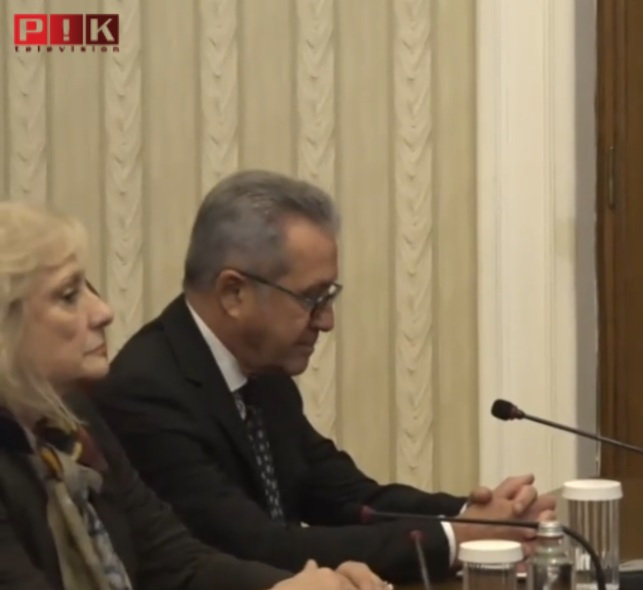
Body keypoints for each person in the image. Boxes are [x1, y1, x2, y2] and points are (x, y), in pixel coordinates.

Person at [93, 170, 555, 584]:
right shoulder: (146, 392)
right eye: (312, 298)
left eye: (329, 297)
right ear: (233, 292)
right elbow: (257, 547)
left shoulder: (263, 372)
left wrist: (475, 515)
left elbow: (348, 497)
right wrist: (459, 537)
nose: (327, 321)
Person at [0, 201, 386, 590]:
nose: (103, 311)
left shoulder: (73, 421)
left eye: (89, 288)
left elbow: (173, 561)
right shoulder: (140, 387)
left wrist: (286, 587)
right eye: (68, 296)